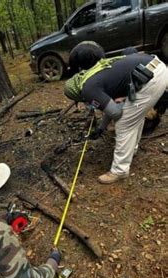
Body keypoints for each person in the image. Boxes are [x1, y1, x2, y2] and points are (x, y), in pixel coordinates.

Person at [64, 52, 168, 184]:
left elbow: (116, 113)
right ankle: (132, 149)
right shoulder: (91, 75)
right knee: (135, 115)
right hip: (155, 67)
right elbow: (110, 107)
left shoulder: (87, 89)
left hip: (151, 77)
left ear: (75, 93)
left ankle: (120, 170)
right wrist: (102, 127)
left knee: (124, 123)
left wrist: (121, 104)